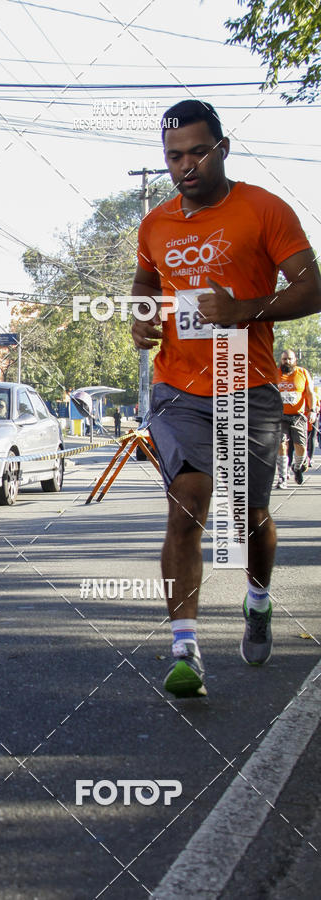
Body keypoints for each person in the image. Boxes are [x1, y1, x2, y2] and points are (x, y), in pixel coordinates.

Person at [131, 100, 321, 698]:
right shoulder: (156, 223)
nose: (185, 166)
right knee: (187, 502)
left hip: (249, 383)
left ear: (222, 148)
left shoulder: (264, 209)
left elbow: (312, 285)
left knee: (248, 516)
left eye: (196, 152)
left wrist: (246, 309)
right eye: (173, 156)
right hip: (177, 386)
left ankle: (258, 597)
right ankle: (184, 646)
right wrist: (141, 316)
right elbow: (145, 281)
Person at [276, 350, 315, 488]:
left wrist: (312, 410)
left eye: (290, 359)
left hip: (298, 416)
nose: (287, 361)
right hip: (280, 416)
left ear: (295, 360)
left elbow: (310, 394)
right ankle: (282, 477)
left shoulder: (303, 373)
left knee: (301, 448)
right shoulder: (275, 374)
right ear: (281, 360)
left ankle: (297, 467)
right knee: (281, 445)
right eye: (284, 359)